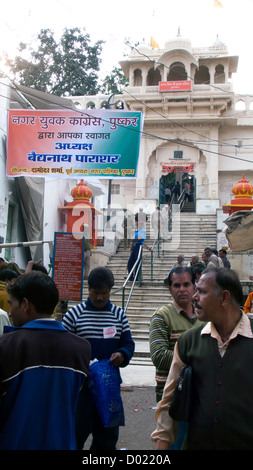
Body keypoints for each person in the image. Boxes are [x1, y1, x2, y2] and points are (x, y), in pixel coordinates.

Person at [151, 267, 253, 450]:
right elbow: (169, 399)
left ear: (224, 298)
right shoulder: (188, 341)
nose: (194, 297)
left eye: (202, 292)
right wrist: (162, 443)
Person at [0, 272, 91, 450]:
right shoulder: (81, 349)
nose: (10, 313)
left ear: (26, 304)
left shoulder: (6, 347)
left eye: (12, 304)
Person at [62, 266, 135, 450]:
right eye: (96, 293)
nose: (100, 297)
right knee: (75, 434)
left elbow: (128, 344)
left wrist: (121, 354)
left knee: (107, 438)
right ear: (88, 290)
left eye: (104, 293)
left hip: (109, 388)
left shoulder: (119, 315)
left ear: (110, 290)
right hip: (81, 388)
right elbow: (63, 346)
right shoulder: (74, 314)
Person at [149, 266, 203, 403]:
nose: (182, 290)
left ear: (194, 287)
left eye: (186, 284)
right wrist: (199, 357)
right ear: (170, 289)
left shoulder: (204, 317)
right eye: (177, 285)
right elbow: (159, 357)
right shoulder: (161, 316)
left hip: (201, 393)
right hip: (170, 395)